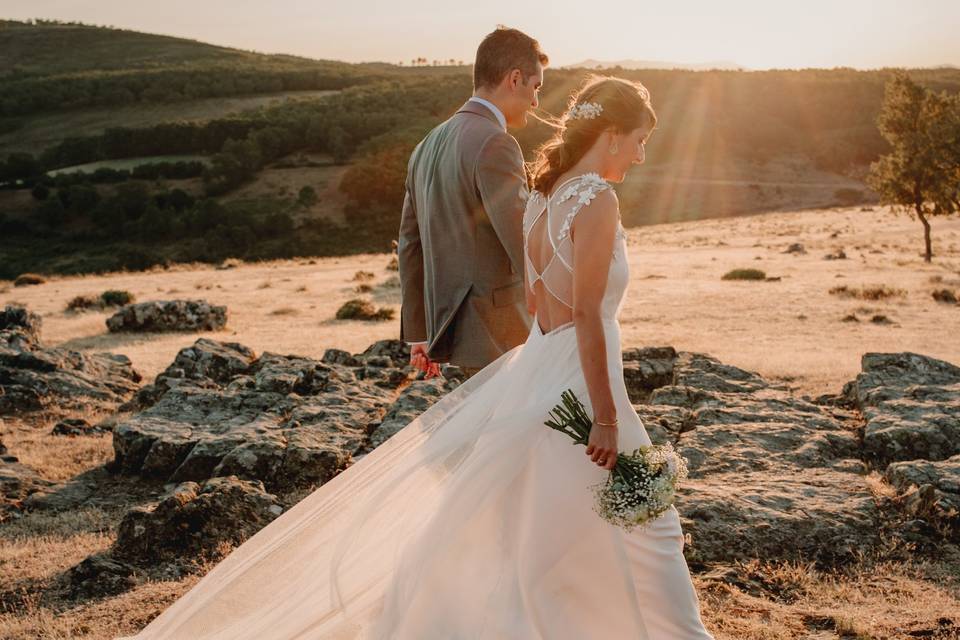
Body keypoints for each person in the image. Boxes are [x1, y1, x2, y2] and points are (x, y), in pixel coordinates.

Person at [115, 75, 715, 640]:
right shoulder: (598, 201)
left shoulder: (544, 193)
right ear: (612, 134)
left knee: (558, 520)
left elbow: (537, 298)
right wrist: (605, 414)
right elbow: (588, 314)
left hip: (541, 367)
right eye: (640, 142)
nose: (640, 156)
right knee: (645, 520)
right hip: (583, 380)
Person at [400, 26, 545, 380]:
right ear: (514, 79)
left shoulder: (426, 145)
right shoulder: (495, 143)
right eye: (536, 87)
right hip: (501, 332)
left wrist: (420, 332)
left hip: (452, 332)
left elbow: (409, 245)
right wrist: (561, 315)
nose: (537, 102)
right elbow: (522, 241)